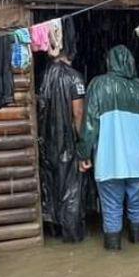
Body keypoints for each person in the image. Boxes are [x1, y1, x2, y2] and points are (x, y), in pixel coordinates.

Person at [78, 45, 139, 251]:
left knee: (112, 207)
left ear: (109, 62)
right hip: (138, 160)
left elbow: (89, 124)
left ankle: (113, 254)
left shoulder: (99, 85)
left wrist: (83, 153)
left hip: (109, 160)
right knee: (136, 201)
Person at [37, 50, 86, 243]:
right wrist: (83, 143)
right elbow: (78, 113)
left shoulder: (41, 76)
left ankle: (53, 230)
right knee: (71, 191)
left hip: (45, 144)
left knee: (50, 187)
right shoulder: (75, 77)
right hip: (68, 143)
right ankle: (72, 236)